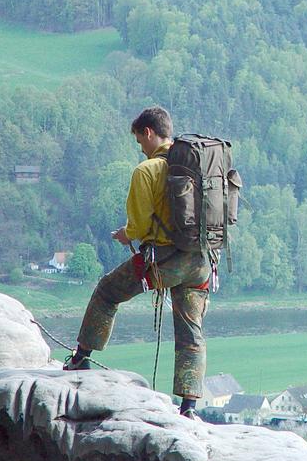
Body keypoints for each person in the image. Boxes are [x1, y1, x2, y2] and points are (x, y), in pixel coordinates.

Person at [63, 106, 211, 420]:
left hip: (164, 263)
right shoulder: (198, 164)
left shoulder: (147, 171)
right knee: (190, 332)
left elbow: (141, 227)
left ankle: (81, 357)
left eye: (140, 142)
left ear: (148, 132)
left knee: (107, 292)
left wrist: (125, 234)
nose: (141, 150)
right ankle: (189, 407)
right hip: (201, 261)